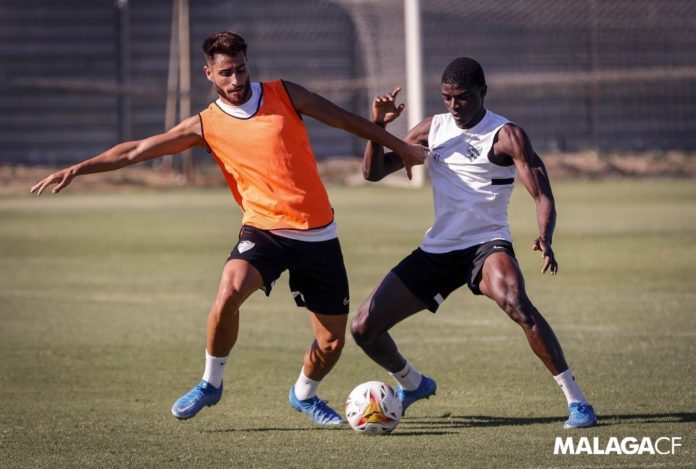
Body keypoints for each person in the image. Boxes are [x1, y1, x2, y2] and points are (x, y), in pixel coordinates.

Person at [30, 31, 426, 426]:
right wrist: (79, 168)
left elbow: (347, 121)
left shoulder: (285, 94)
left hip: (318, 233)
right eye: (225, 73)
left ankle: (304, 394)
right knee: (228, 293)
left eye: (241, 70)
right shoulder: (205, 125)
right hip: (263, 230)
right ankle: (210, 383)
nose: (236, 80)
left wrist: (402, 146)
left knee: (331, 342)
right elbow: (135, 150)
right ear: (209, 74)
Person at [350, 57, 597, 429]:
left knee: (517, 303)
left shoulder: (506, 135)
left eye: (462, 98)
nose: (454, 106)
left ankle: (578, 403)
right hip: (438, 251)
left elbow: (542, 194)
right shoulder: (432, 128)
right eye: (447, 98)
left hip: (486, 245)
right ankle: (413, 384)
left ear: (483, 92)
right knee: (363, 327)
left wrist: (545, 237)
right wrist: (378, 127)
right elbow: (373, 173)